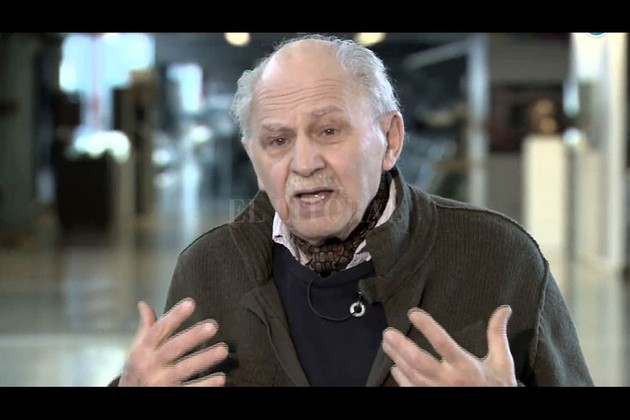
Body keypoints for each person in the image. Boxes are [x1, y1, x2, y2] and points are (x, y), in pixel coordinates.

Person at [109, 33, 593, 387]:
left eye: (328, 131)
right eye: (277, 141)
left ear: (390, 140)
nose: (304, 163)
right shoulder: (209, 269)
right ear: (254, 160)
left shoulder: (499, 256)